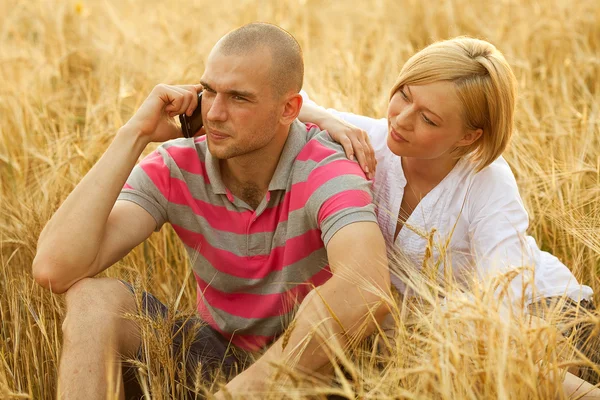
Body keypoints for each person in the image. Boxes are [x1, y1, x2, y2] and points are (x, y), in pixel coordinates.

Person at [32, 23, 390, 399]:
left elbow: (366, 289)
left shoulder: (326, 169)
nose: (215, 114)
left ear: (289, 109)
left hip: (312, 373)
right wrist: (133, 134)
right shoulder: (177, 165)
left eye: (239, 98)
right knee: (93, 300)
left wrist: (242, 393)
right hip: (214, 358)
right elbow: (54, 269)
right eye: (209, 92)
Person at [297, 37, 599, 396]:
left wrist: (431, 337)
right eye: (405, 94)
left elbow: (498, 309)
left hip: (547, 317)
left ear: (469, 136)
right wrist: (327, 119)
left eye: (428, 119)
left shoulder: (487, 182)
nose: (402, 120)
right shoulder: (371, 140)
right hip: (441, 332)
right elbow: (285, 102)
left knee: (479, 356)